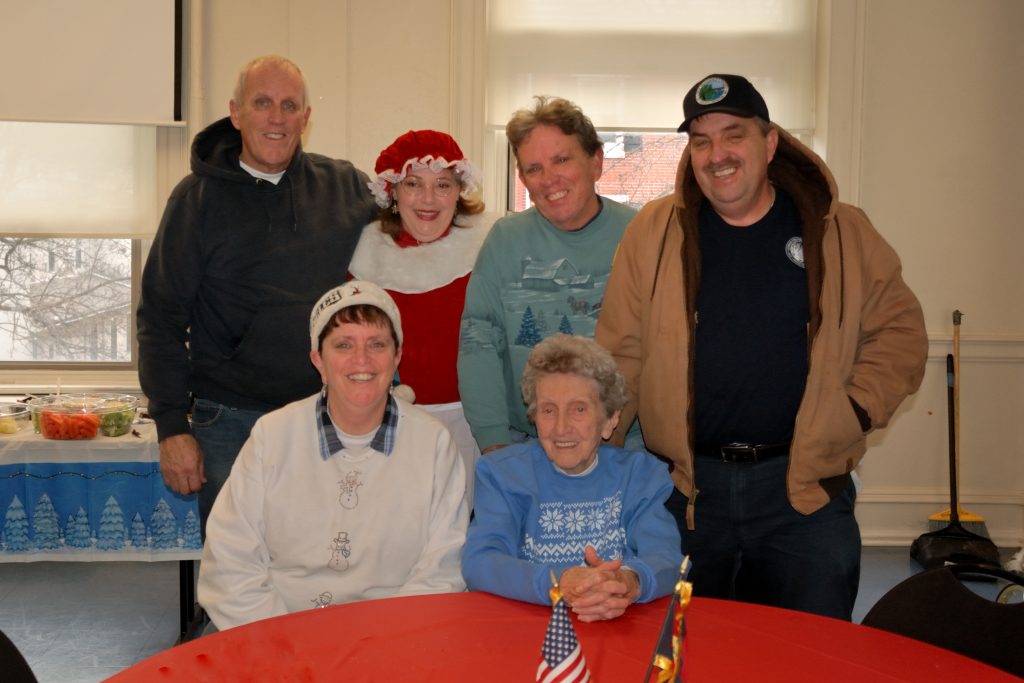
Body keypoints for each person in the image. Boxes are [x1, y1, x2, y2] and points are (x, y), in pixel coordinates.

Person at [595, 74, 928, 620]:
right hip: (684, 493)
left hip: (804, 494)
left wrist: (854, 410)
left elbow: (900, 332)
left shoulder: (839, 230)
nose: (716, 154)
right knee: (683, 648)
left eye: (733, 135)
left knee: (811, 654)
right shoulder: (655, 230)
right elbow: (620, 352)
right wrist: (597, 444)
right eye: (700, 141)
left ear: (770, 143)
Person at [137, 55, 377, 535]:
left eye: (290, 105)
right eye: (262, 103)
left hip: (325, 417)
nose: (277, 117)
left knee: (328, 561)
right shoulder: (195, 200)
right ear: (236, 113)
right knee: (237, 571)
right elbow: (160, 319)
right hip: (228, 421)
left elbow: (404, 251)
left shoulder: (345, 187)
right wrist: (171, 426)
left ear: (306, 118)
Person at [197, 280, 468, 631]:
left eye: (377, 344)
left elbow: (441, 569)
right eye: (343, 344)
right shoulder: (272, 436)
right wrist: (285, 646)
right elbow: (230, 560)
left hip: (391, 637)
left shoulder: (433, 444)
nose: (362, 360)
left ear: (396, 357)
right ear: (318, 360)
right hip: (278, 632)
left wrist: (384, 648)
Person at [458, 96, 637, 455]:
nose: (549, 179)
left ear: (596, 161)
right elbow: (478, 343)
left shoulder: (641, 233)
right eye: (534, 168)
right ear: (522, 178)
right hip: (526, 445)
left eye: (561, 160)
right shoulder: (505, 240)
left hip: (623, 447)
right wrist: (494, 443)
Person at [462, 334, 681, 622]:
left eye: (579, 409)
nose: (561, 428)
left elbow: (667, 559)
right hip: (526, 633)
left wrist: (628, 581)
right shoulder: (502, 474)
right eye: (549, 410)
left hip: (619, 628)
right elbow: (480, 562)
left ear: (610, 420)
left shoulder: (639, 475)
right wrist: (558, 582)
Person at [349, 130, 490, 504]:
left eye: (442, 184)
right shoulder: (363, 255)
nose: (428, 199)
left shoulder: (489, 249)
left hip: (473, 426)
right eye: (414, 183)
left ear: (459, 191)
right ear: (392, 192)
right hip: (386, 426)